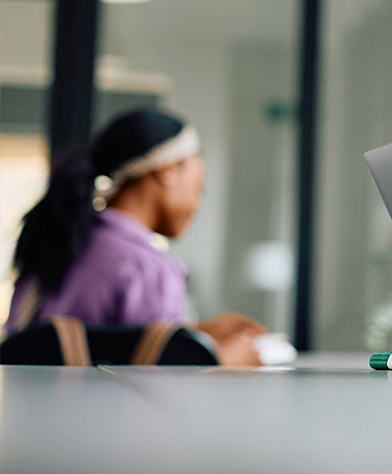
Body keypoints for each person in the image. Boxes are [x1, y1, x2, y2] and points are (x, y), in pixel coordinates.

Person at [5, 108, 265, 365]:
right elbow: (163, 381)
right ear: (167, 171)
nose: (197, 206)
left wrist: (194, 334)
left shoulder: (63, 238)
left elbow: (101, 343)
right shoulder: (147, 267)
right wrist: (222, 360)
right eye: (198, 188)